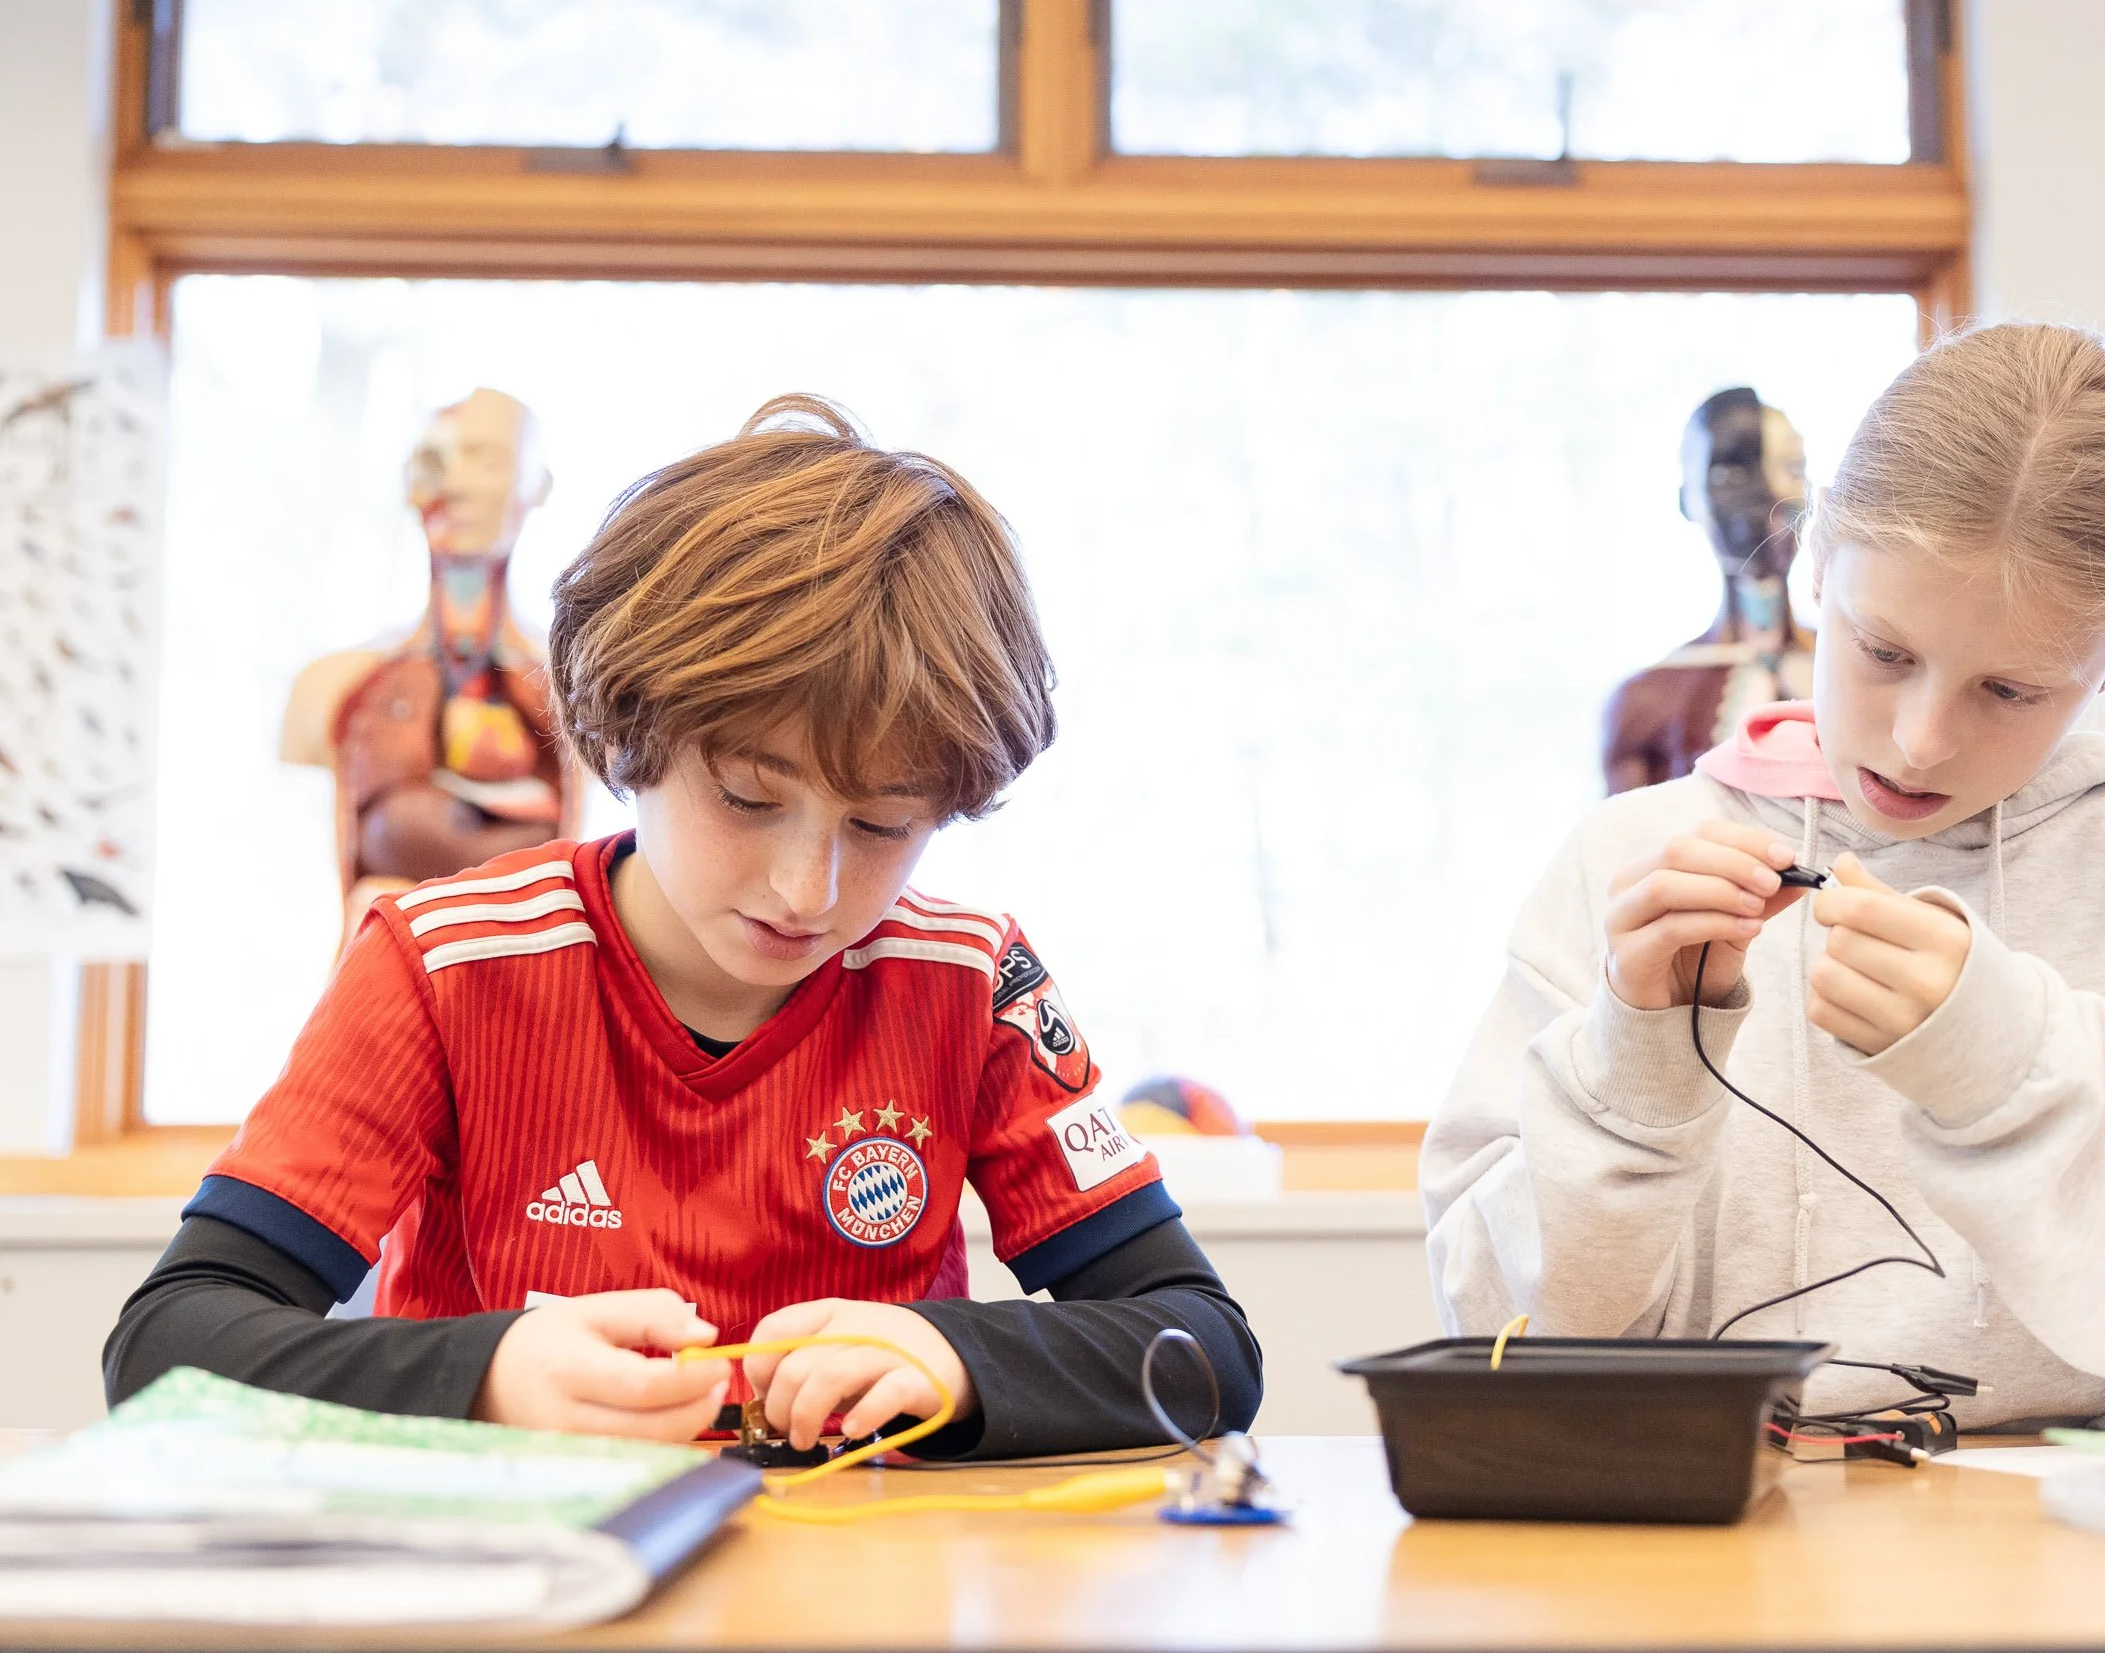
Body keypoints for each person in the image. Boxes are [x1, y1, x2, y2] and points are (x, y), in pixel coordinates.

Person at [107, 396, 1262, 1458]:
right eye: (748, 800)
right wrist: (487, 1372)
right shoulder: (439, 963)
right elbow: (166, 1344)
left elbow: (1206, 1346)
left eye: (882, 823)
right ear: (624, 741)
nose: (807, 887)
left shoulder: (970, 979)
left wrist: (955, 1356)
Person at [1423, 325, 2105, 1435]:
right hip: (1699, 1573)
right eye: (1883, 651)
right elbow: (1489, 1351)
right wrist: (1631, 1077)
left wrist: (2016, 1072)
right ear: (1815, 565)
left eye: (2009, 689)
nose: (1917, 741)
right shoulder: (1626, 866)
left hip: (2080, 1584)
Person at [279, 388, 578, 940]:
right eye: (436, 462)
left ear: (538, 484)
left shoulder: (582, 697)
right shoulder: (333, 688)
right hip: (375, 993)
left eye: (484, 460)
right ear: (411, 483)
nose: (456, 485)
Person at [1600, 387, 1815, 793]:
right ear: (1689, 501)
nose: (1771, 493)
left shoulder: (1858, 674)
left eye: (1793, 467)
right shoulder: (1645, 703)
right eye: (1732, 473)